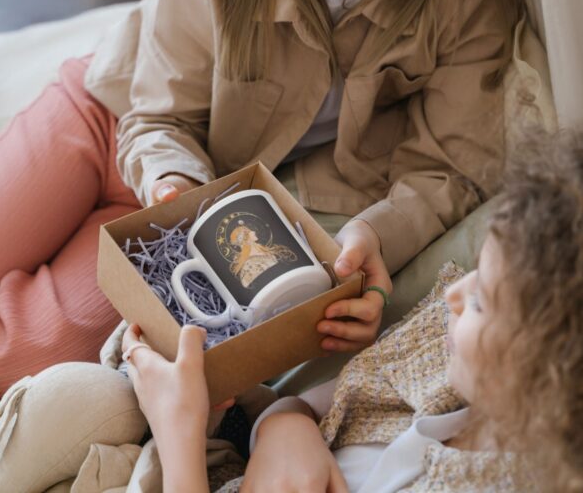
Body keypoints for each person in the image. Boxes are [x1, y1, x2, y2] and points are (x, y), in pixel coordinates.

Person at [0, 0, 526, 401]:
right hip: (112, 116)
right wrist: (171, 181)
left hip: (201, 217)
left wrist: (377, 237)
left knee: (17, 360)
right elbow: (156, 114)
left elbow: (449, 169)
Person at [120, 130, 583, 492]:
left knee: (77, 401)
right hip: (218, 439)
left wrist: (178, 434)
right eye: (477, 270)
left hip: (185, 460)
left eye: (482, 301)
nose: (452, 296)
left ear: (551, 375)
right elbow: (304, 403)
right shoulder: (450, 359)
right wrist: (286, 428)